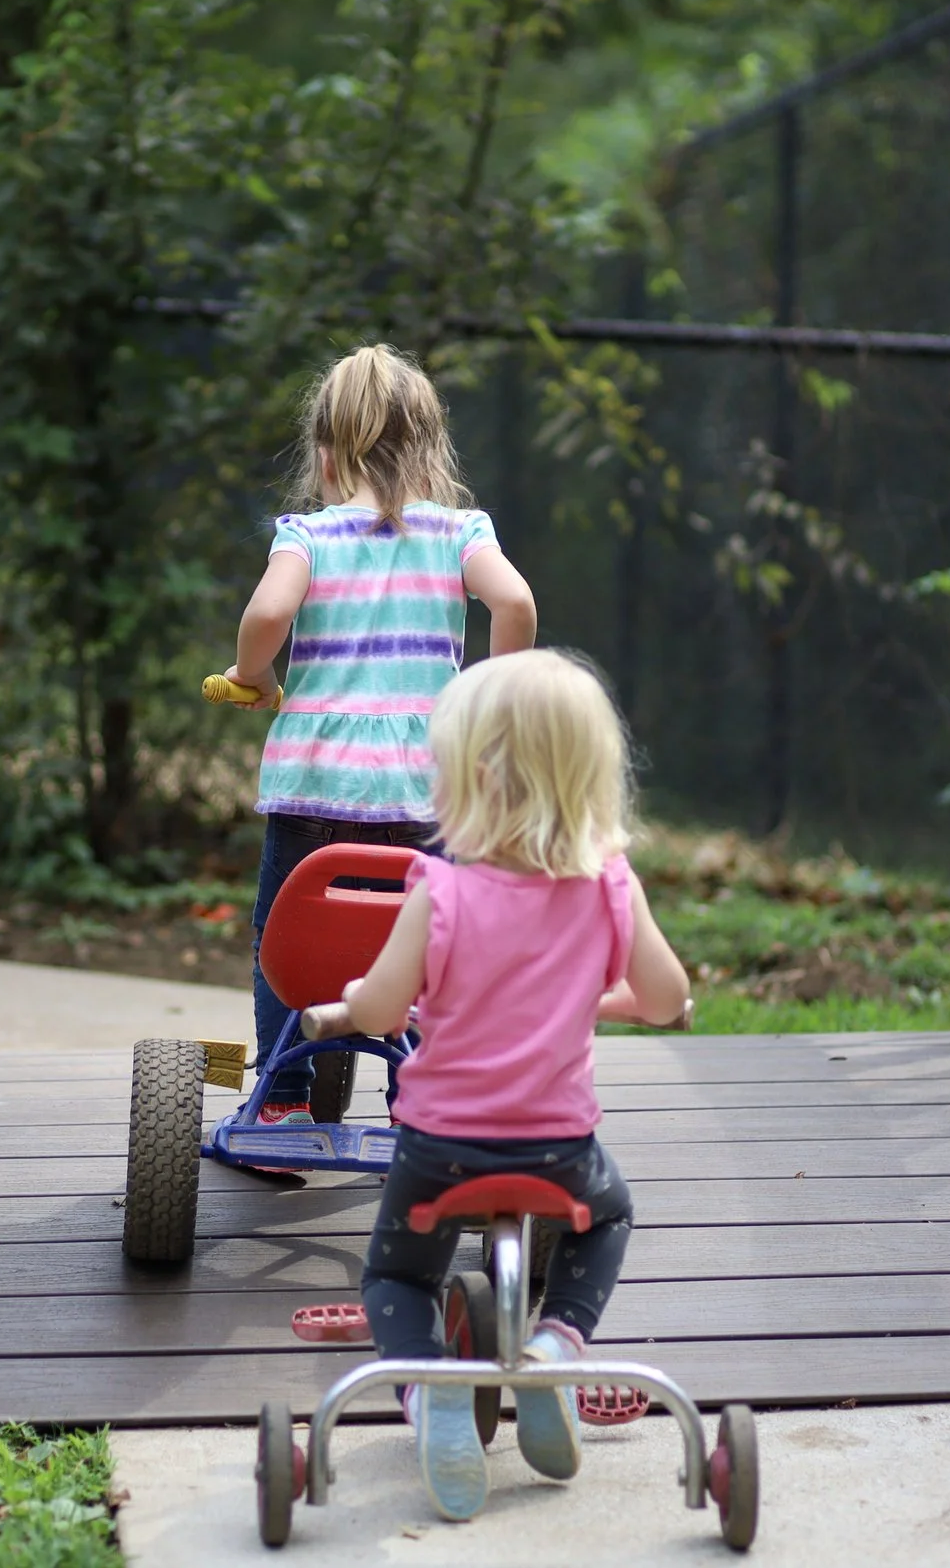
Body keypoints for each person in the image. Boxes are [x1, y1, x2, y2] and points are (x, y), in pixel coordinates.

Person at [300, 650, 693, 1520]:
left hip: (440, 1147)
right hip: (560, 1149)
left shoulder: (437, 892)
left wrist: (357, 1002)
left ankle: (432, 1389)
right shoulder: (609, 888)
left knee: (396, 1280)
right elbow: (667, 998)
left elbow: (381, 1005)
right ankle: (556, 1342)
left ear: (474, 778)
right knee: (612, 1212)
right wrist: (607, 997)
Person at [220, 343, 536, 1125]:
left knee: (282, 936)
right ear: (430, 455)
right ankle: (418, 1101)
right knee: (433, 944)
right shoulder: (461, 532)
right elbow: (517, 605)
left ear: (325, 455)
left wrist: (252, 674)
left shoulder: (309, 535)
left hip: (316, 789)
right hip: (426, 791)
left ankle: (284, 1101)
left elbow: (266, 616)